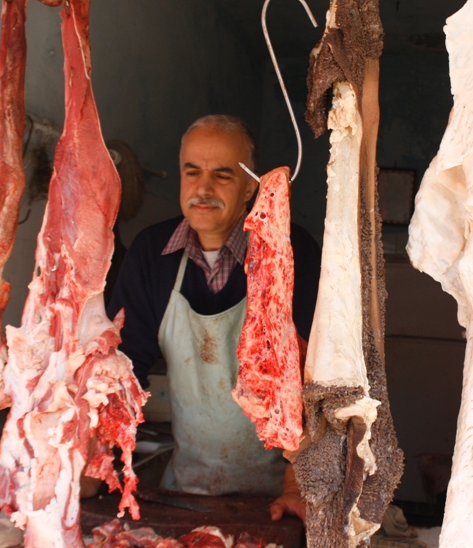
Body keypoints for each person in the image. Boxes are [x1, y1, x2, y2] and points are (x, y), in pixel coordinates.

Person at [101, 114, 320, 521]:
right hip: (187, 491)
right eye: (192, 172)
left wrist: (297, 487)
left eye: (222, 175)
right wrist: (95, 459)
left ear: (250, 187)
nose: (203, 189)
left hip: (280, 498)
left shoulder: (287, 251)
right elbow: (123, 370)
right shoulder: (152, 253)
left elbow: (314, 378)